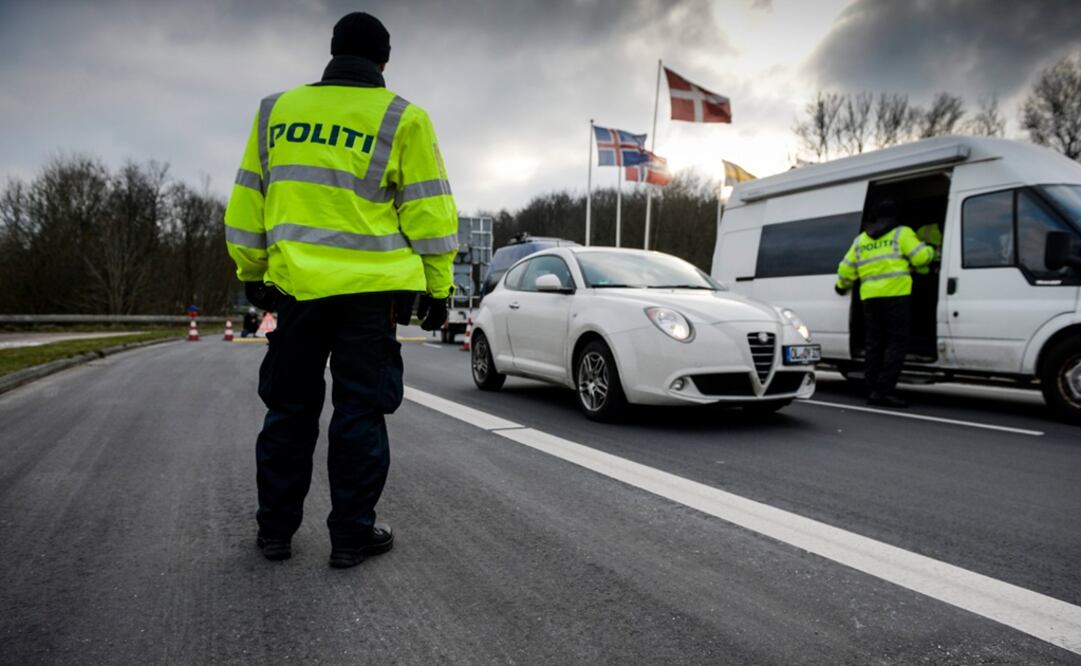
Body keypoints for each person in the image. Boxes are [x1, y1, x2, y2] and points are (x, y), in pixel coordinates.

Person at [223, 12, 458, 568]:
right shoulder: (404, 117)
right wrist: (438, 288)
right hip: (370, 298)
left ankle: (275, 532)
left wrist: (253, 273)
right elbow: (430, 213)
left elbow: (247, 204)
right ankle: (351, 536)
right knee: (359, 413)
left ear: (331, 54)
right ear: (384, 62)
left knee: (288, 410)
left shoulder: (274, 113)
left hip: (297, 292)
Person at [835, 200, 934, 408]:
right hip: (896, 296)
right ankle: (884, 391)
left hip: (870, 298)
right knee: (896, 344)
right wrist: (930, 251)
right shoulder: (901, 233)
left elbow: (845, 269)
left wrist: (841, 286)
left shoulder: (861, 240)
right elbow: (920, 258)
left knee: (874, 344)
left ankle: (871, 388)